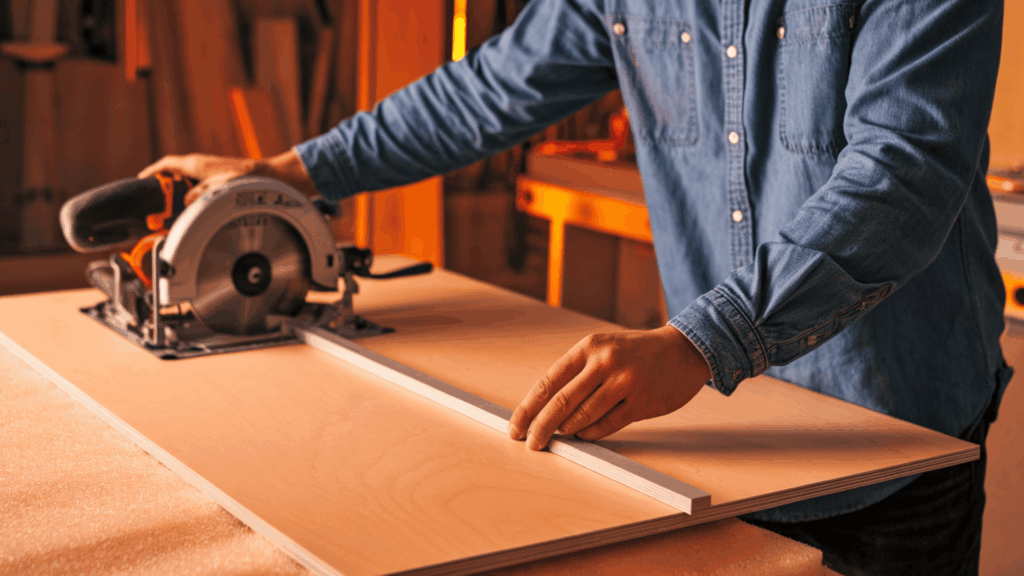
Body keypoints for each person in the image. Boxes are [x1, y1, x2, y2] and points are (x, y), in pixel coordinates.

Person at [140, 0, 1011, 573]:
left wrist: (703, 341)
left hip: (894, 420)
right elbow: (487, 90)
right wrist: (288, 174)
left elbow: (903, 172)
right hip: (732, 429)